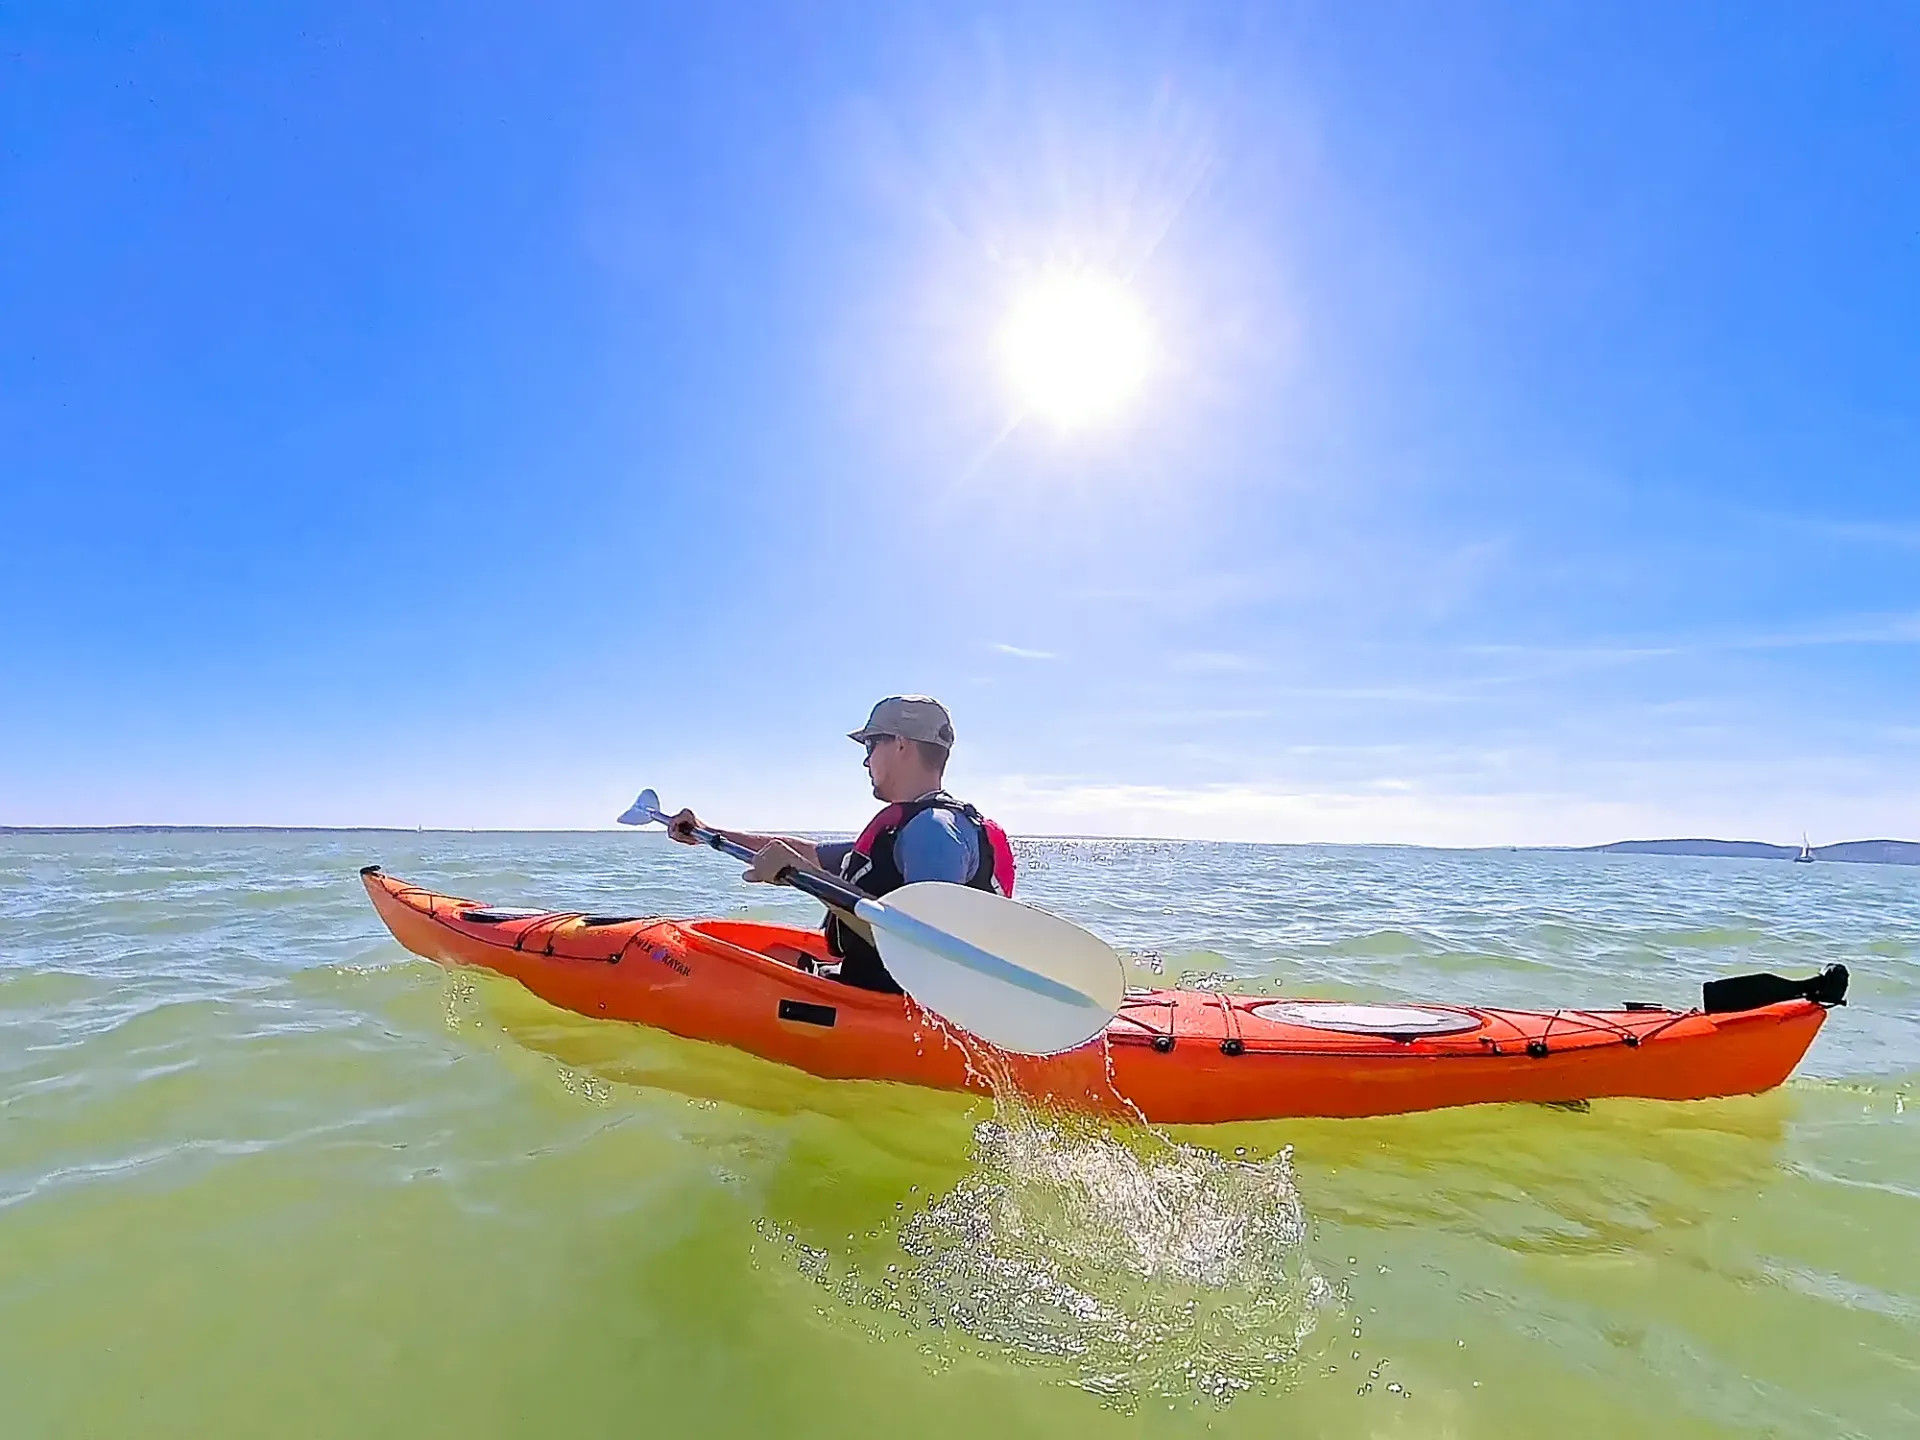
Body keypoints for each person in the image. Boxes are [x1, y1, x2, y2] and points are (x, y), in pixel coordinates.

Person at [666, 695, 1015, 993]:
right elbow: (809, 853)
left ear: (901, 744)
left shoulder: (934, 832)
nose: (865, 760)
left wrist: (804, 875)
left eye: (870, 745)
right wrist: (707, 831)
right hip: (869, 981)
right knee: (777, 956)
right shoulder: (911, 826)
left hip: (897, 1007)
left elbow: (924, 948)